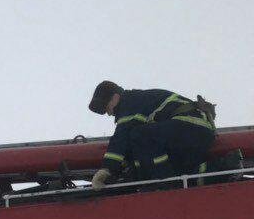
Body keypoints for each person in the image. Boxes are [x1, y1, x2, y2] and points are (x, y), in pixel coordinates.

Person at [87, 81, 217, 189]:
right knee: (143, 148)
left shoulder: (130, 101)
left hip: (190, 126)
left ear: (116, 97)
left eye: (106, 107)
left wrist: (107, 169)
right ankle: (211, 170)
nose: (109, 113)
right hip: (196, 132)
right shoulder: (143, 101)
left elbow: (122, 136)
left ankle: (166, 183)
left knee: (140, 135)